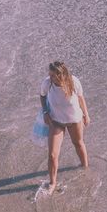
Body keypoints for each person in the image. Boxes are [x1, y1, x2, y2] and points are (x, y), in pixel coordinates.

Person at [39, 61, 89, 191]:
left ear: (61, 74)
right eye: (50, 74)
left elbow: (80, 98)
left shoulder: (73, 82)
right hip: (56, 121)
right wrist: (45, 112)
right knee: (52, 155)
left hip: (74, 120)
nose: (50, 78)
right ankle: (52, 183)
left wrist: (86, 115)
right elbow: (42, 96)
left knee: (78, 144)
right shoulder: (47, 83)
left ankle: (85, 169)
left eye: (53, 75)